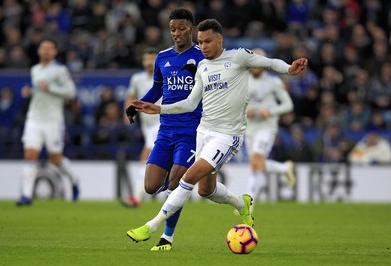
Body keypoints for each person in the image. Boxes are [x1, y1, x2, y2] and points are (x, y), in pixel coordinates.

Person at [127, 19, 307, 245]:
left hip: (228, 136)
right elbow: (191, 103)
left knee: (188, 177)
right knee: (206, 191)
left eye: (208, 41)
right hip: (204, 132)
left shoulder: (238, 57)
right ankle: (243, 204)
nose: (203, 47)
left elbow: (269, 62)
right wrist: (159, 108)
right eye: (200, 42)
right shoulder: (202, 67)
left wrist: (289, 69)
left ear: (220, 39)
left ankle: (152, 227)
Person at [125, 8, 205, 251]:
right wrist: (137, 105)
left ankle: (166, 237)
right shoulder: (162, 57)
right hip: (165, 130)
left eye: (182, 28)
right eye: (172, 29)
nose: (177, 33)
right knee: (150, 187)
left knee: (174, 185)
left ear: (191, 28)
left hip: (191, 130)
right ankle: (176, 184)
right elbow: (157, 90)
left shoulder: (203, 57)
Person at [16, 38, 80, 206]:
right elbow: (39, 90)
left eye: (49, 48)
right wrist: (30, 92)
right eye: (42, 47)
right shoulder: (35, 69)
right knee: (30, 155)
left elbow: (71, 92)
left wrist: (50, 88)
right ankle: (26, 195)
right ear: (38, 51)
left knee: (55, 158)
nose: (45, 50)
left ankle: (74, 179)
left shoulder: (60, 70)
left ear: (55, 52)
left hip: (53, 120)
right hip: (34, 118)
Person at [245, 48, 296, 204]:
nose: (256, 66)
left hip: (266, 127)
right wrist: (246, 111)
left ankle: (249, 203)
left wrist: (271, 111)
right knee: (257, 164)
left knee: (256, 159)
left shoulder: (273, 82)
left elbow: (288, 105)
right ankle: (283, 168)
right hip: (249, 128)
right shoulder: (242, 80)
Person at [123, 48, 160, 207]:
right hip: (147, 126)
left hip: (162, 122)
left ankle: (137, 197)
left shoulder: (164, 76)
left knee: (146, 156)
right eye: (147, 59)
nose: (149, 63)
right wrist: (127, 113)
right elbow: (131, 98)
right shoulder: (137, 79)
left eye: (153, 59)